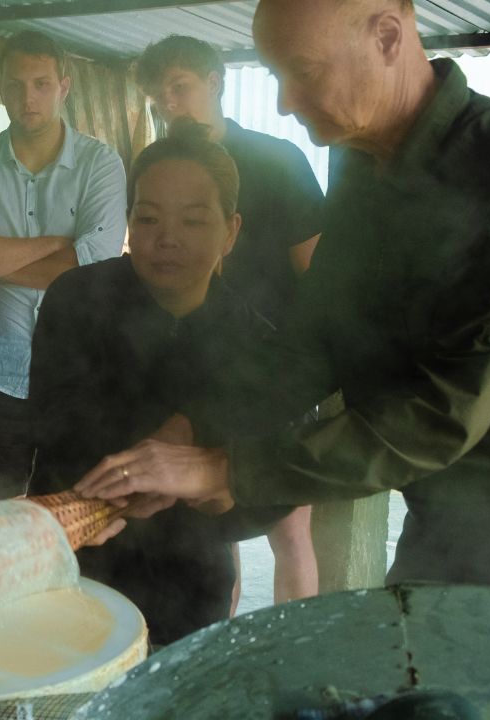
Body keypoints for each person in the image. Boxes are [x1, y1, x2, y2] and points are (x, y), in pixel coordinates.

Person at [76, 0, 490, 608]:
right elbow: (313, 336)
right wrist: (194, 427)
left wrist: (225, 470)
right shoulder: (361, 166)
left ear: (388, 37)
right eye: (276, 77)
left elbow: (446, 407)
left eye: (306, 72)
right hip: (437, 497)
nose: (285, 103)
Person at [30, 123, 290, 644]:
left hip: (190, 578)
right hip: (76, 557)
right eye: (147, 218)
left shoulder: (256, 340)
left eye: (193, 221)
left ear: (231, 231)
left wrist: (220, 493)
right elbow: (51, 425)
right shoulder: (78, 299)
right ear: (129, 221)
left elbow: (274, 480)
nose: (167, 238)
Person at [135, 35, 323, 605]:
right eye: (158, 94)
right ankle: (217, 645)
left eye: (180, 86)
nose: (169, 102)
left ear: (214, 82)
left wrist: (306, 367)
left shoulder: (277, 161)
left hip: (275, 370)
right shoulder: (159, 169)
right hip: (195, 364)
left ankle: (294, 658)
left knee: (288, 526)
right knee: (209, 530)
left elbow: (318, 274)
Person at [0, 30, 127, 510]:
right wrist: (56, 246)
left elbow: (96, 266)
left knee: (75, 521)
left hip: (78, 377)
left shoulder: (100, 164)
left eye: (41, 83)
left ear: (65, 85)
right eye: (15, 85)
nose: (28, 97)